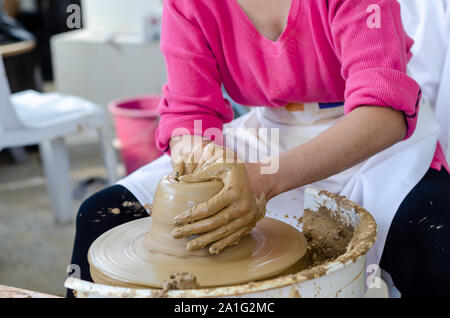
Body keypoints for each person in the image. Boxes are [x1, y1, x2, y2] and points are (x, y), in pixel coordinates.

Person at [68, 0, 450, 298]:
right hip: (268, 130)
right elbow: (189, 116)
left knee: (434, 233)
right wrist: (205, 157)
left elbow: (383, 113)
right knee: (100, 214)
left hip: (366, 140)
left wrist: (264, 179)